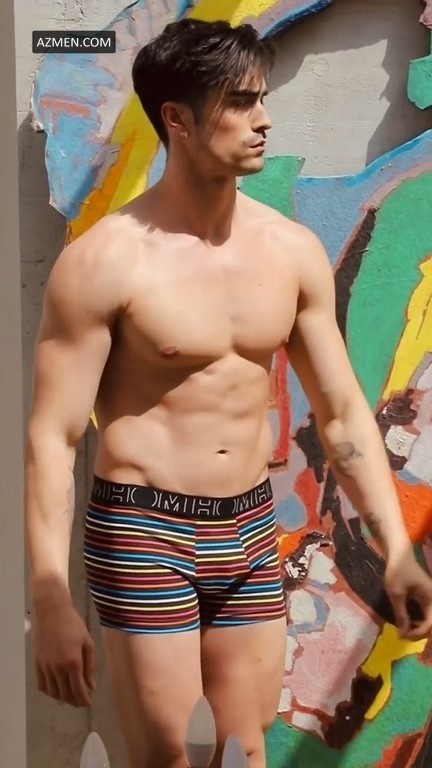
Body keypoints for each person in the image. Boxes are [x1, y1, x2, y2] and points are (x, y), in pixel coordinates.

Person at [25, 17, 432, 768]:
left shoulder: (289, 252)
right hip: (144, 532)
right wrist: (50, 600)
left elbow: (343, 417)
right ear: (176, 120)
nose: (264, 119)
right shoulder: (106, 262)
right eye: (241, 102)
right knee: (168, 756)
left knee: (244, 752)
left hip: (248, 529)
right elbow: (54, 438)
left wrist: (396, 549)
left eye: (262, 98)